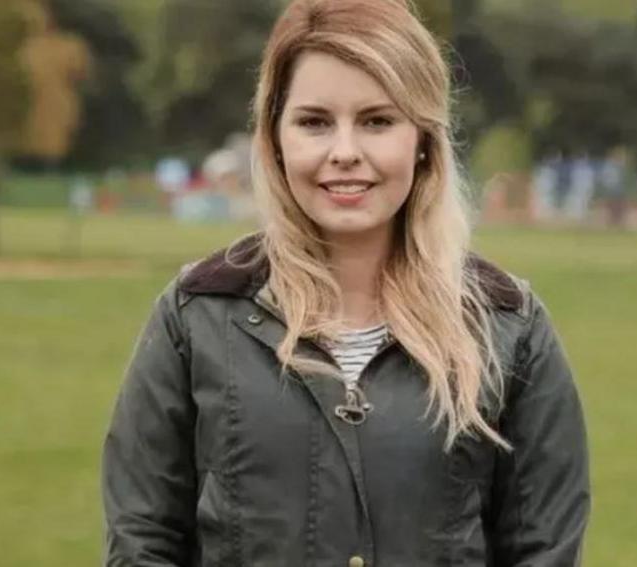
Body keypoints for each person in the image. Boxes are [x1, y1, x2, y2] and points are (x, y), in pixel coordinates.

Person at [102, 1, 590, 565]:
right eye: (314, 122)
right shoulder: (196, 318)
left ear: (423, 138)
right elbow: (142, 543)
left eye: (377, 121)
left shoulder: (510, 329)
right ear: (275, 138)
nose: (344, 153)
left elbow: (543, 550)